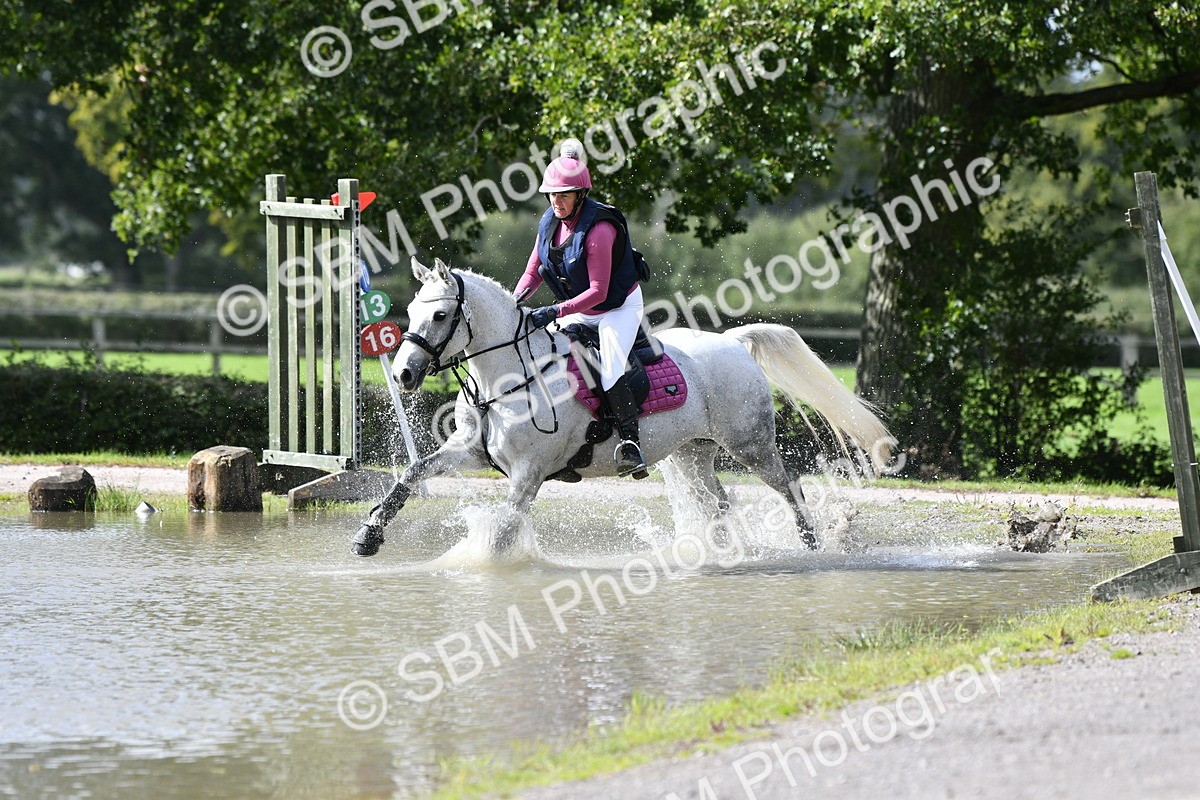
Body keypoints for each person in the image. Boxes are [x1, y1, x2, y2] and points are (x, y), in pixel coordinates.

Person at [513, 138, 648, 477]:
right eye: (552, 195)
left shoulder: (599, 230)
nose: (556, 202)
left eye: (565, 195)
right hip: (580, 307)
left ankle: (630, 444)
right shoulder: (550, 222)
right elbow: (533, 272)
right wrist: (513, 304)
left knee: (610, 368)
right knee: (544, 354)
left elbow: (599, 292)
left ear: (581, 195)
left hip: (617, 308)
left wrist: (555, 311)